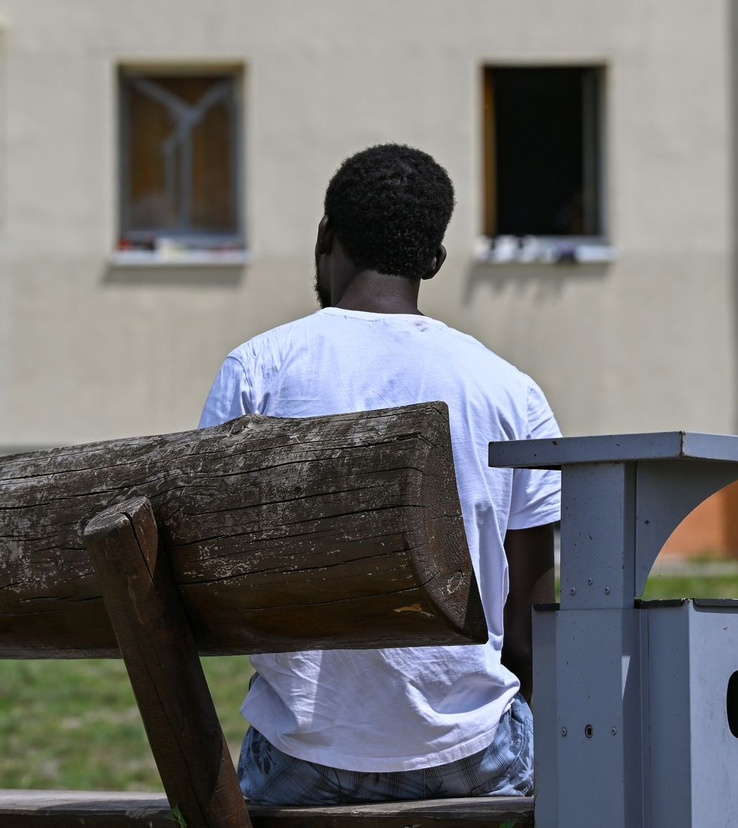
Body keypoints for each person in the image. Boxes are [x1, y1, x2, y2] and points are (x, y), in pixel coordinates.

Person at [198, 143, 561, 804]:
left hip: (301, 756)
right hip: (470, 753)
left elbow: (210, 580)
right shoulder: (511, 392)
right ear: (435, 261)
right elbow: (530, 631)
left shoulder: (259, 370)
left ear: (325, 237)